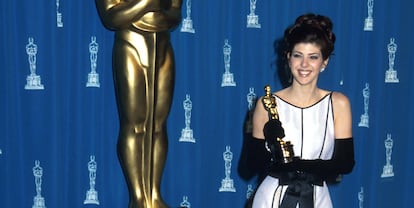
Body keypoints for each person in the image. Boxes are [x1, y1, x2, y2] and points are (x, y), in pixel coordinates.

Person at [250, 14, 355, 208]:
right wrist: (269, 143)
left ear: (324, 62)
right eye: (298, 55)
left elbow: (345, 163)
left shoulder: (338, 104)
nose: (304, 65)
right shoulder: (267, 104)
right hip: (271, 200)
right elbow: (250, 166)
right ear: (289, 58)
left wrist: (299, 166)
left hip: (318, 200)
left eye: (313, 57)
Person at [94, 1, 182, 208]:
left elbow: (175, 15)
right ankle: (138, 198)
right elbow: (111, 17)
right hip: (130, 43)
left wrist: (154, 10)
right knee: (135, 124)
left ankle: (154, 194)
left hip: (163, 46)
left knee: (158, 125)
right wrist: (148, 3)